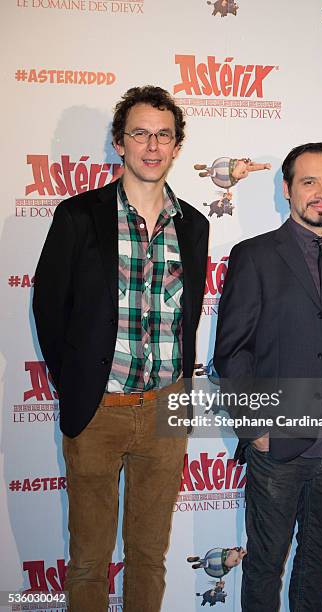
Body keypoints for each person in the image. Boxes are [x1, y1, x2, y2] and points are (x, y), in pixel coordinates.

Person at [33, 86, 209, 612]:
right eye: (140, 134)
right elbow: (48, 310)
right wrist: (81, 384)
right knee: (88, 560)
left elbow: (190, 316)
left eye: (163, 135)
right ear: (119, 143)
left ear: (177, 146)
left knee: (150, 556)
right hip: (98, 410)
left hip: (165, 410)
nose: (152, 146)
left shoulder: (194, 226)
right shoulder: (77, 217)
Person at [214, 142, 322, 611]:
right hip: (280, 450)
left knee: (318, 566)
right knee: (264, 566)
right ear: (288, 189)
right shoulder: (255, 256)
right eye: (309, 182)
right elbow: (232, 353)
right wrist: (257, 430)